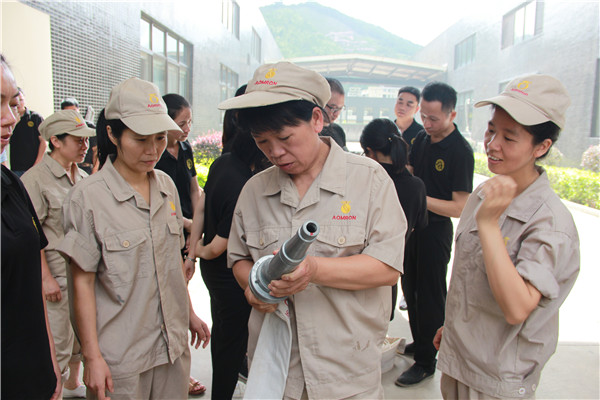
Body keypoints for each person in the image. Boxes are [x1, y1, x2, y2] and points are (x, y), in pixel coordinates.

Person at [220, 61, 407, 399]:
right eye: (262, 142)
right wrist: (253, 287)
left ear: (317, 119)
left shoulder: (369, 180)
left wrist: (314, 270)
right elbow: (239, 259)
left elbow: (387, 267)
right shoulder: (254, 191)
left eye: (285, 138)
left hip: (347, 374)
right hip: (277, 376)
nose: (275, 152)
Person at [57, 77, 210, 400]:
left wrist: (189, 314)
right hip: (121, 359)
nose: (152, 150)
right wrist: (92, 357)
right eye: (140, 139)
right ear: (113, 134)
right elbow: (82, 283)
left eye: (160, 138)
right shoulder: (87, 199)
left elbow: (169, 266)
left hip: (171, 351)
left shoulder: (166, 186)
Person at [433, 74, 580, 399]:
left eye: (509, 137)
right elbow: (472, 280)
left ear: (542, 147)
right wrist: (456, 327)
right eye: (491, 130)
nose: (492, 144)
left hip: (497, 381)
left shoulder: (550, 222)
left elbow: (517, 308)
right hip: (460, 362)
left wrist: (488, 225)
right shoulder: (484, 193)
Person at [397, 81, 474, 387]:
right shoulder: (420, 139)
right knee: (410, 287)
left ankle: (427, 362)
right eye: (424, 117)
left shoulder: (460, 151)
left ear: (452, 114)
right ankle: (421, 340)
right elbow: (412, 172)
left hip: (436, 231)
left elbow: (460, 206)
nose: (427, 124)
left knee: (430, 295)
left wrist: (420, 198)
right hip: (412, 227)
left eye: (434, 119)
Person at [21, 109, 95, 399]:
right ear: (55, 140)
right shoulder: (35, 180)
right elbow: (32, 235)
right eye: (78, 140)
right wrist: (46, 278)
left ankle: (72, 385)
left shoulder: (82, 176)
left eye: (86, 140)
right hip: (56, 273)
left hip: (81, 271)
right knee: (58, 341)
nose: (84, 146)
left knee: (79, 335)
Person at [1, 53, 62, 400]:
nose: (10, 118)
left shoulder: (12, 185)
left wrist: (50, 361)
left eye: (13, 103)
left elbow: (30, 285)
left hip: (30, 376)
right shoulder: (34, 180)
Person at [195, 123, 270, 400]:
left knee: (223, 332)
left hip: (213, 274)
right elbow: (219, 246)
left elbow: (201, 205)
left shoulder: (222, 162)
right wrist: (201, 250)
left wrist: (194, 250)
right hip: (229, 274)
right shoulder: (243, 184)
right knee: (233, 343)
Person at [154, 93, 206, 396]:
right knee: (172, 296)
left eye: (189, 122)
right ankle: (177, 372)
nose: (187, 129)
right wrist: (187, 227)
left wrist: (195, 230)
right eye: (182, 123)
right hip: (167, 230)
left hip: (186, 231)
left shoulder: (185, 149)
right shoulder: (155, 153)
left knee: (180, 291)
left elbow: (194, 190)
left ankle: (179, 370)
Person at [360, 118, 427, 320]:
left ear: (370, 151)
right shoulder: (416, 186)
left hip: (356, 273)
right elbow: (417, 227)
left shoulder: (364, 181)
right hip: (388, 277)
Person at [9, 87, 46, 176]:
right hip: (16, 168)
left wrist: (36, 164)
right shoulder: (10, 119)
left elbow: (43, 142)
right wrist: (14, 123)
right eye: (16, 101)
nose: (18, 103)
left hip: (34, 167)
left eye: (21, 100)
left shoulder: (35, 117)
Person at [61, 97, 98, 175]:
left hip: (87, 169)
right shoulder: (62, 130)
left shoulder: (89, 126)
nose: (72, 114)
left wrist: (94, 171)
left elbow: (96, 151)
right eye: (68, 112)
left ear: (79, 110)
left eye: (74, 111)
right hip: (69, 170)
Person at [319, 77, 347, 150]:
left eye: (340, 108)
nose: (336, 113)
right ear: (321, 103)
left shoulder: (338, 131)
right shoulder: (311, 132)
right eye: (333, 108)